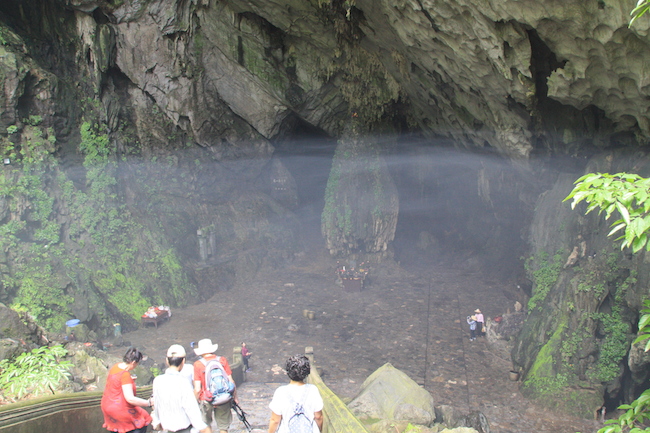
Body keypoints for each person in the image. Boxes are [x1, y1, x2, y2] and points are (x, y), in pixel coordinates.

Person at [152, 344, 211, 433]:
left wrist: (157, 421)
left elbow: (156, 404)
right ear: (183, 361)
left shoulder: (157, 381)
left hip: (166, 429)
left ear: (167, 361)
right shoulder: (183, 382)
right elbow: (192, 410)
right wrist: (204, 428)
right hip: (184, 429)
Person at [101, 347, 153, 433]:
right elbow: (130, 398)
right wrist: (148, 403)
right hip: (118, 409)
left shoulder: (116, 366)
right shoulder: (125, 375)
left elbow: (116, 382)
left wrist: (130, 380)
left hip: (106, 406)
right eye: (137, 363)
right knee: (143, 417)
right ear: (133, 362)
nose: (136, 366)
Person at [268, 354, 323, 433]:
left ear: (288, 372)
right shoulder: (313, 390)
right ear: (306, 373)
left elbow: (275, 420)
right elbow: (318, 417)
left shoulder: (281, 392)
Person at [193, 338, 238, 433]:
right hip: (223, 397)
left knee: (206, 425)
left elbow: (197, 389)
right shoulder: (222, 360)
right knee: (223, 427)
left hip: (206, 399)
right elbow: (231, 381)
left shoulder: (197, 364)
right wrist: (235, 397)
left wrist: (194, 402)